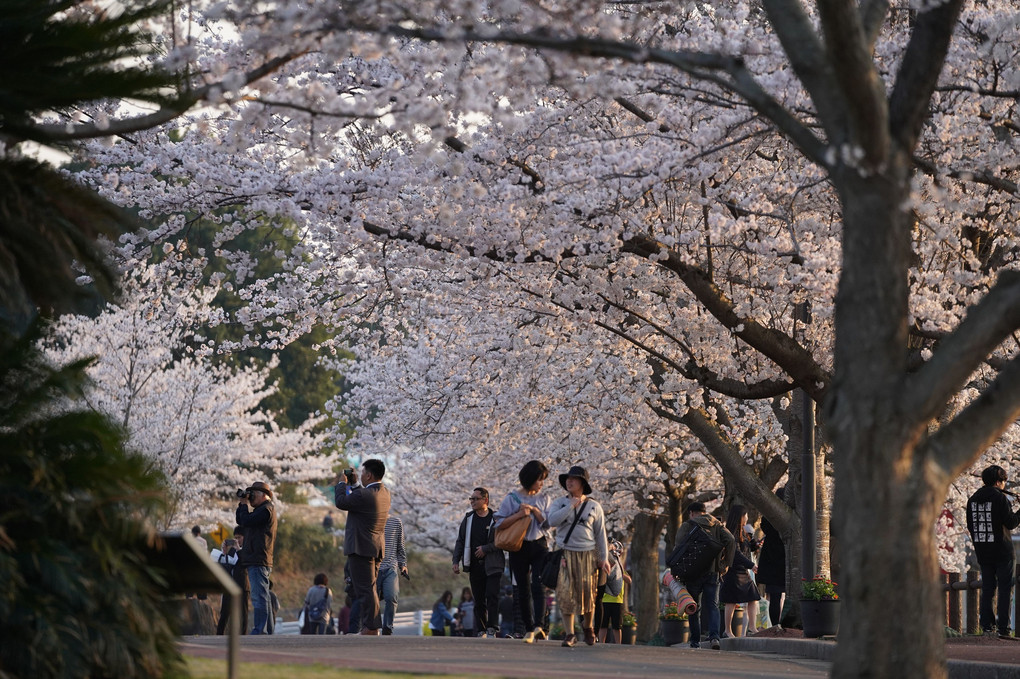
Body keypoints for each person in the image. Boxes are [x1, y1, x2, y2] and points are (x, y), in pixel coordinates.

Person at [546, 465, 610, 647]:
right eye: (567, 479)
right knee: (565, 593)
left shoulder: (594, 506)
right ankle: (570, 634)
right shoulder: (559, 502)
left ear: (582, 483)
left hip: (588, 554)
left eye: (573, 479)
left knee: (588, 592)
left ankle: (588, 627)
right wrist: (571, 505)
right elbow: (552, 521)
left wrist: (604, 557)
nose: (569, 481)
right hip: (565, 554)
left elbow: (600, 534)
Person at [495, 460, 551, 643]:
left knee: (539, 584)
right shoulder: (512, 498)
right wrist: (519, 515)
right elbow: (499, 523)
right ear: (529, 478)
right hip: (518, 547)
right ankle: (528, 628)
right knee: (522, 587)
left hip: (539, 544)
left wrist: (535, 511)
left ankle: (539, 626)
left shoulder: (544, 498)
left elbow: (548, 524)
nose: (541, 483)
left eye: (543, 480)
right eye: (539, 479)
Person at [334, 458, 392, 635]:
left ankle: (372, 627)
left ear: (368, 474)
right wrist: (355, 484)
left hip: (361, 547)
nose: (360, 475)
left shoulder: (365, 495)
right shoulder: (384, 493)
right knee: (370, 587)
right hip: (375, 546)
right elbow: (361, 497)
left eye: (362, 472)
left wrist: (341, 484)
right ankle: (371, 626)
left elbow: (341, 502)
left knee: (364, 589)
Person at [672, 501, 735, 649]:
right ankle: (714, 638)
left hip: (692, 573)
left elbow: (678, 547)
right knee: (713, 605)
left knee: (694, 607)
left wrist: (676, 570)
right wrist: (725, 564)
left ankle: (695, 641)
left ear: (692, 513)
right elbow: (731, 540)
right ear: (705, 512)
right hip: (712, 571)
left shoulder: (687, 525)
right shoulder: (716, 525)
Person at [967, 464, 1020, 639]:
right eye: (1004, 482)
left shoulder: (973, 499)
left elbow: (970, 525)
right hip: (1003, 551)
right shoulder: (999, 498)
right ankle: (1003, 628)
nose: (1004, 485)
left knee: (988, 589)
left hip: (983, 550)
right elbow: (1011, 522)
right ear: (998, 482)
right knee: (1005, 589)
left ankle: (987, 627)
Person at [453, 486, 505, 637]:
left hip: (493, 564)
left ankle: (492, 627)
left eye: (476, 499)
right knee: (479, 598)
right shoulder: (468, 518)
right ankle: (481, 629)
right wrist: (456, 560)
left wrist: (486, 549)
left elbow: (502, 540)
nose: (473, 502)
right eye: (471, 499)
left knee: (492, 595)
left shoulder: (496, 518)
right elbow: (460, 541)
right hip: (474, 565)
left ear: (486, 500)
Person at [235, 480, 278, 635]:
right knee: (263, 595)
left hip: (259, 558)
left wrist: (245, 504)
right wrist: (242, 504)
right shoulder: (262, 510)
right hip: (257, 557)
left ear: (262, 495)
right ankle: (267, 629)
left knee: (259, 596)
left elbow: (246, 520)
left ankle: (260, 630)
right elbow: (241, 521)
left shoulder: (266, 510)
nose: (251, 498)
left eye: (253, 495)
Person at [720, 504, 761, 637]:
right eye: (746, 515)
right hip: (733, 571)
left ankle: (752, 628)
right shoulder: (731, 534)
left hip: (743, 570)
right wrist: (751, 565)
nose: (747, 517)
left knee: (753, 597)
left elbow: (746, 549)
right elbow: (736, 554)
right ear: (740, 517)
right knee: (731, 601)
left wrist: (754, 545)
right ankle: (727, 630)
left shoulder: (742, 532)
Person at [756, 487, 787, 628]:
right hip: (785, 559)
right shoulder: (789, 515)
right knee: (783, 596)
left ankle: (775, 625)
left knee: (774, 596)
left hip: (771, 560)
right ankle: (783, 623)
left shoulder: (768, 516)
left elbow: (764, 526)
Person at [377, 515, 409, 635]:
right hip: (374, 568)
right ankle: (372, 627)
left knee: (392, 597)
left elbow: (400, 545)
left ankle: (387, 628)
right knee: (372, 600)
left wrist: (403, 564)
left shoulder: (396, 522)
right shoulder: (371, 518)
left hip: (391, 567)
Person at [215, 527, 250, 635]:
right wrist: (224, 552)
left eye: (239, 537)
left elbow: (245, 562)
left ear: (245, 537)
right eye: (235, 538)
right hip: (230, 586)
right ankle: (218, 636)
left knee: (242, 615)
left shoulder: (247, 549)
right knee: (224, 614)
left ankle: (242, 637)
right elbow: (226, 565)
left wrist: (239, 549)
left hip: (242, 586)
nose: (237, 540)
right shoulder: (232, 550)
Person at [599, 540, 632, 643]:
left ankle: (618, 644)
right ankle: (601, 643)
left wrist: (619, 574)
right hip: (604, 599)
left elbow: (629, 580)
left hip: (618, 600)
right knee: (602, 624)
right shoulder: (603, 565)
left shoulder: (619, 568)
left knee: (617, 626)